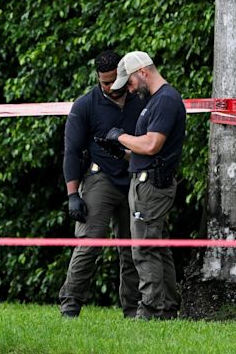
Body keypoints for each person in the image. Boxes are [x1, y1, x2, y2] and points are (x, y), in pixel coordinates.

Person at [59, 50, 145, 318]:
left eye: (113, 81)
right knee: (89, 243)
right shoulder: (85, 105)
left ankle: (132, 310)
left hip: (133, 179)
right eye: (103, 82)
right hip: (100, 179)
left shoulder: (140, 100)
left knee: (132, 248)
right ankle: (70, 306)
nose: (109, 88)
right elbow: (71, 151)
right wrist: (73, 195)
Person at [105, 51, 186, 320]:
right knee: (157, 247)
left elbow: (152, 145)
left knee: (144, 248)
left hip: (152, 185)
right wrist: (121, 150)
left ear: (143, 72)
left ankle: (150, 311)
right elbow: (146, 150)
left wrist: (122, 136)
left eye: (128, 83)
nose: (128, 89)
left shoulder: (165, 100)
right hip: (146, 180)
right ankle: (168, 308)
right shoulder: (156, 101)